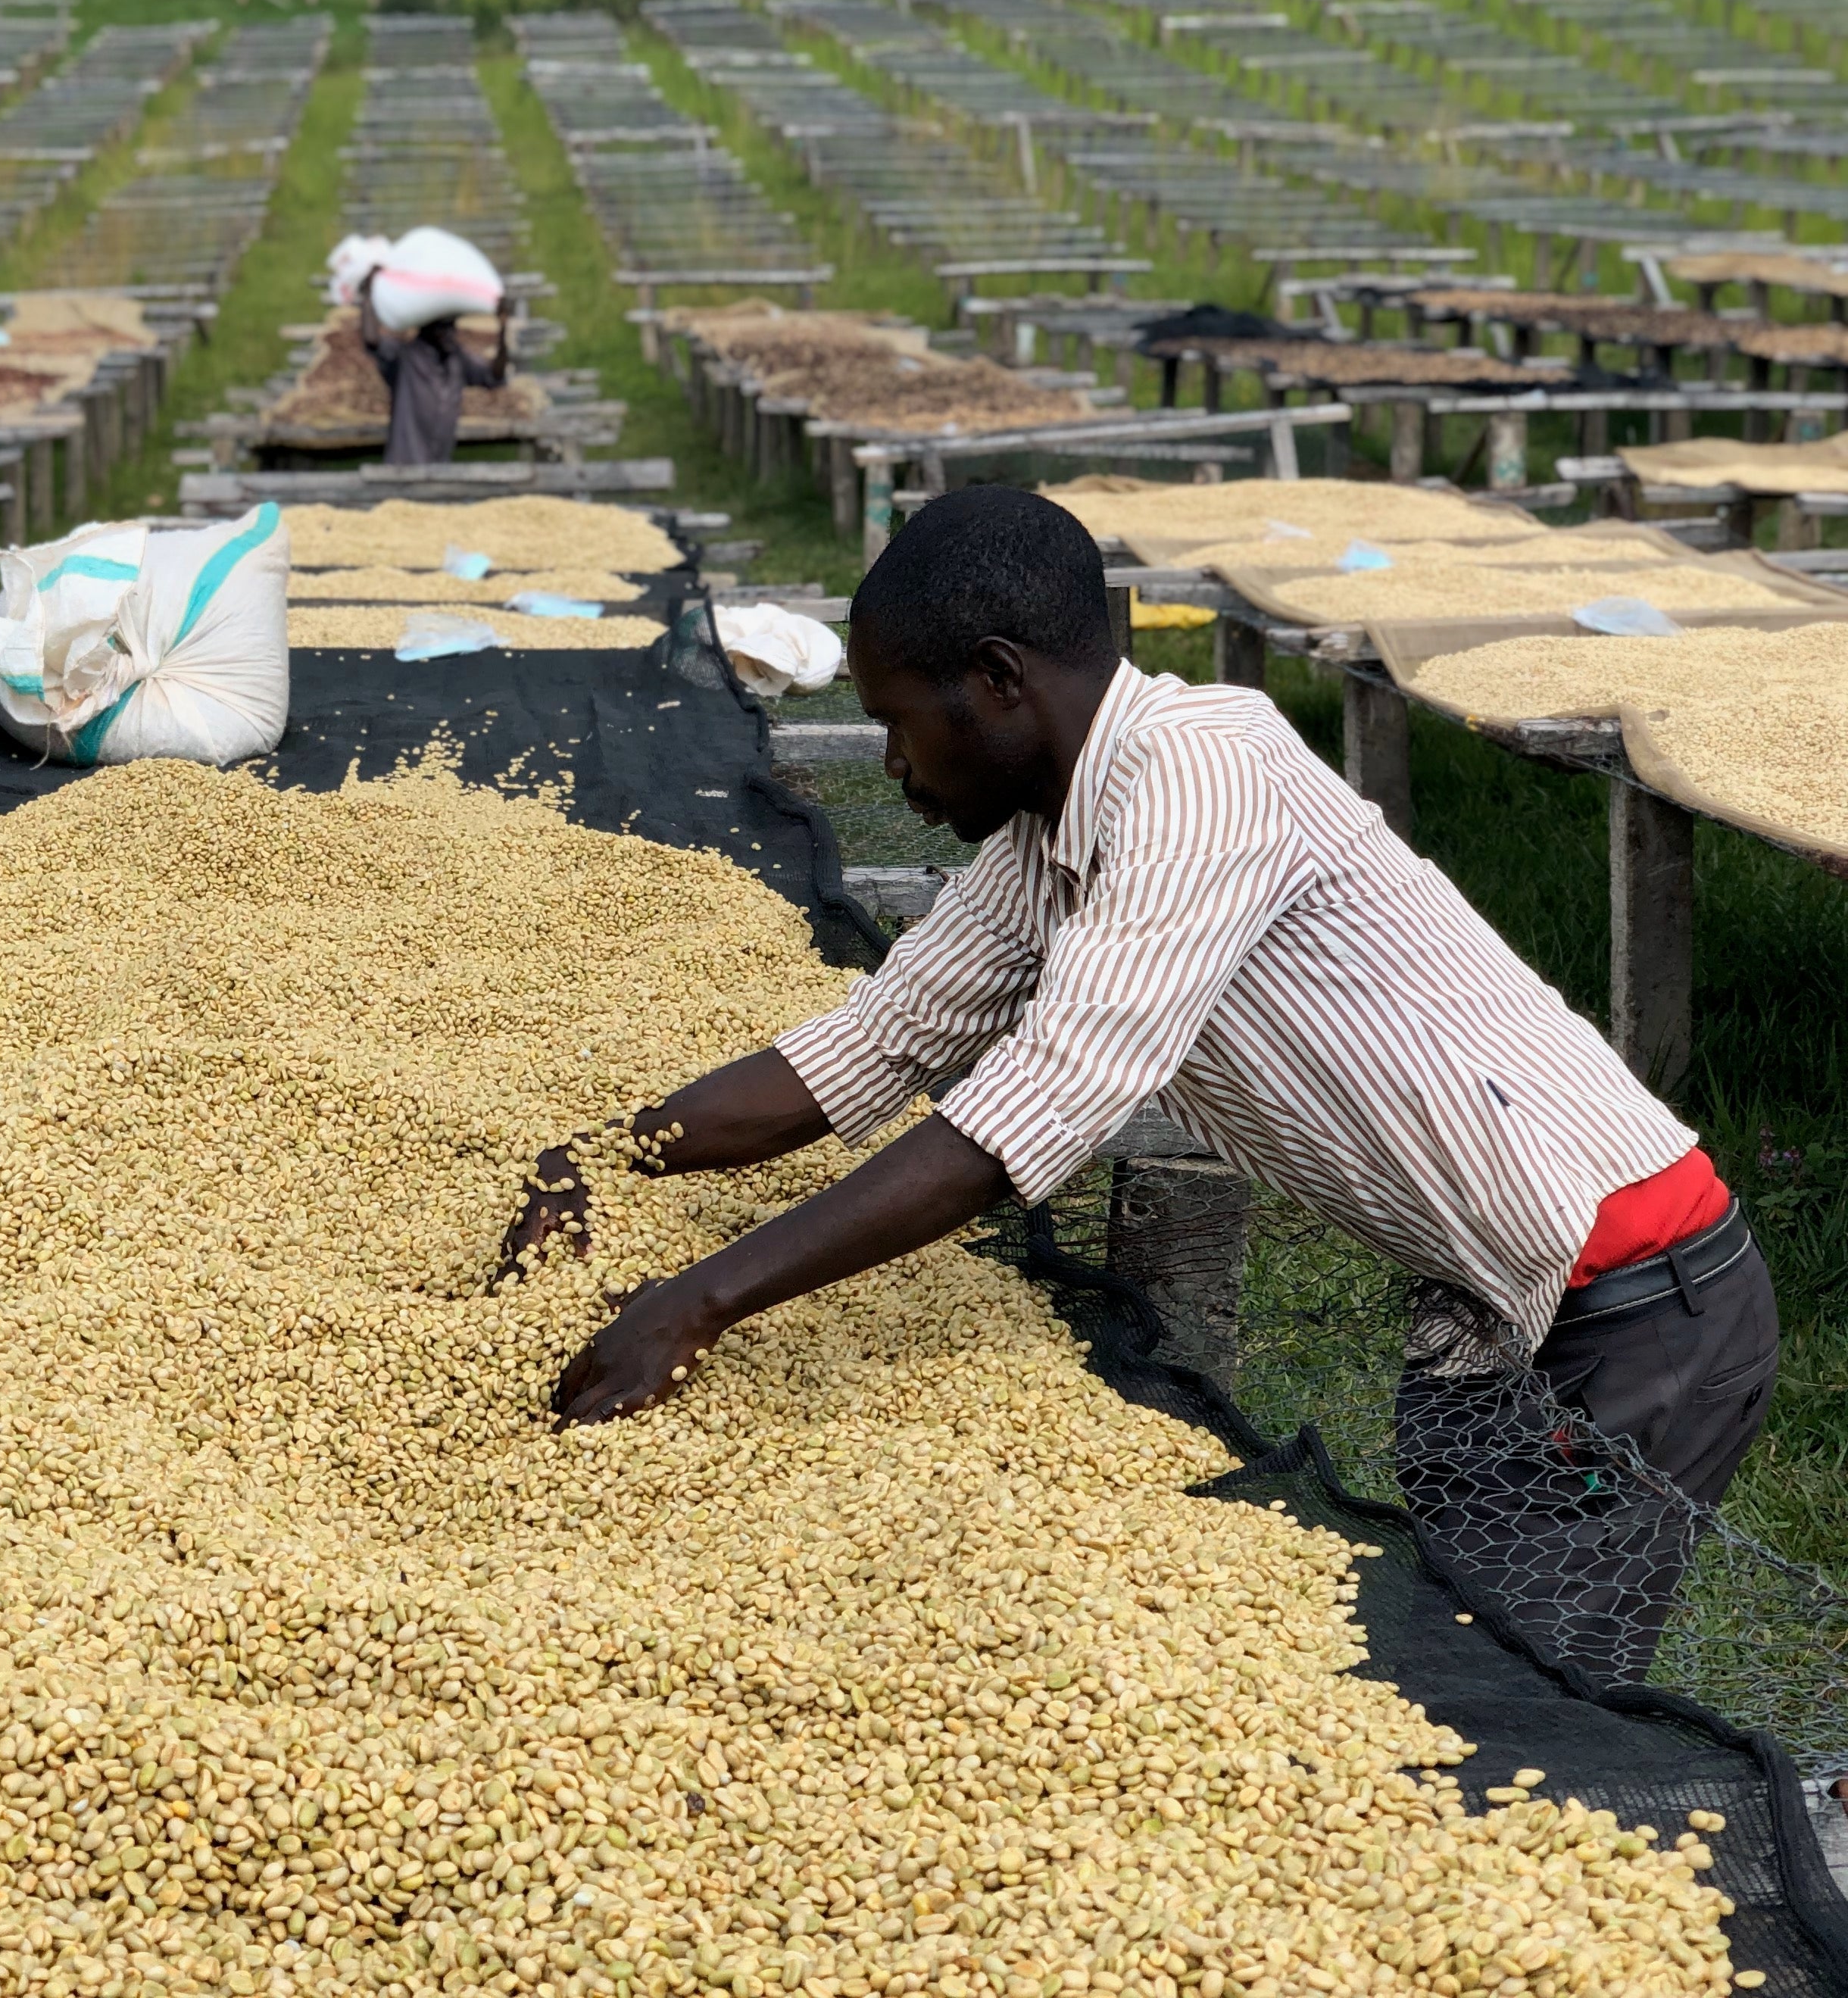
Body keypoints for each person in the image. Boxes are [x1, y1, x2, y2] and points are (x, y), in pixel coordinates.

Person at [518, 483, 1776, 1687]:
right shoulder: (1044, 839)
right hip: (1484, 1303)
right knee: (1442, 1654)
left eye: (902, 721)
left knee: (1523, 1715)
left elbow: (1030, 1109)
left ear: (1001, 682)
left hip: (1635, 1298)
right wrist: (606, 1151)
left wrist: (700, 1298)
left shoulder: (1198, 772)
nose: (895, 764)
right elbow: (862, 1048)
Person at [354, 273, 512, 467]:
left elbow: (494, 376)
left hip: (439, 464)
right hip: (403, 466)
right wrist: (368, 296)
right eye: (443, 329)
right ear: (428, 329)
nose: (451, 335)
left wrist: (503, 328)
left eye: (452, 328)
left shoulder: (457, 360)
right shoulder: (407, 357)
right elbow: (372, 341)